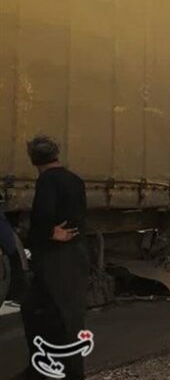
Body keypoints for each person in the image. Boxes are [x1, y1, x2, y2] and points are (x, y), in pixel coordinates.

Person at [21, 136, 89, 379]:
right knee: (62, 315)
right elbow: (81, 216)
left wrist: (49, 233)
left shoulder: (47, 181)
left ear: (33, 160)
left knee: (47, 313)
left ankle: (55, 371)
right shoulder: (75, 179)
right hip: (75, 254)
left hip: (54, 257)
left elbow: (43, 216)